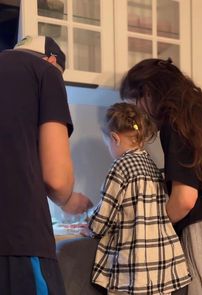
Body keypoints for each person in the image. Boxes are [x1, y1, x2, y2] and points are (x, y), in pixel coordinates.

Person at [119, 58, 202, 295]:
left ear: (149, 92)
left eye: (136, 100)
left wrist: (150, 230)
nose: (140, 110)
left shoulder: (177, 121)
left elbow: (184, 199)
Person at [0, 35, 92, 294]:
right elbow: (57, 180)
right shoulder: (46, 73)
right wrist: (69, 200)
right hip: (16, 240)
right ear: (52, 60)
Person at [87, 102, 191, 295]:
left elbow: (103, 218)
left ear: (114, 138)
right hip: (162, 265)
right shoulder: (151, 166)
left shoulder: (120, 167)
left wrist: (89, 226)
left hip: (134, 268)